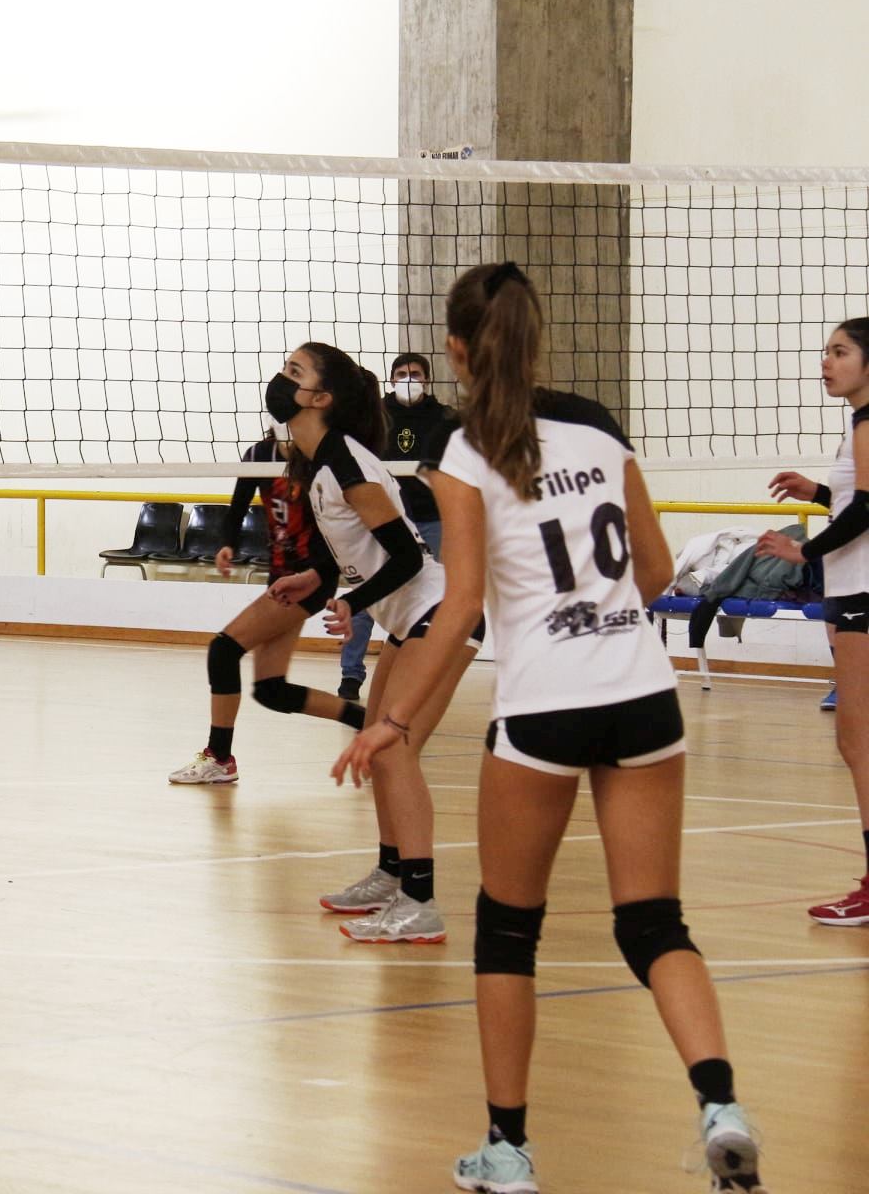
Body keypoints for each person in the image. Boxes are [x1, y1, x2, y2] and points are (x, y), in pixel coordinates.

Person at [340, 263, 766, 1193]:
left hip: (544, 705)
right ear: (539, 340)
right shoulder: (602, 431)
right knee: (655, 923)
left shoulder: (460, 453)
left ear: (455, 349)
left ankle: (508, 1150)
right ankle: (720, 1105)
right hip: (643, 694)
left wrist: (394, 721)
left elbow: (456, 613)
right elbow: (656, 575)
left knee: (508, 930)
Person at [265, 342, 474, 943]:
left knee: (393, 749)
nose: (280, 380)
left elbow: (407, 555)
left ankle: (420, 900)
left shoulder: (344, 463)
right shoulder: (318, 462)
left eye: (293, 373)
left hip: (437, 611)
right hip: (408, 617)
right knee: (376, 738)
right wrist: (321, 579)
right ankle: (391, 873)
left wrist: (353, 604)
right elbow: (361, 550)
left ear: (320, 399)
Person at [168, 423, 367, 787]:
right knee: (272, 690)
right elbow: (238, 507)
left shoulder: (321, 459)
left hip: (310, 578)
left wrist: (319, 574)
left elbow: (337, 528)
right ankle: (364, 722)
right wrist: (227, 544)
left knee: (223, 650)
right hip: (279, 576)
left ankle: (220, 757)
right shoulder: (260, 456)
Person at [757, 315, 869, 925]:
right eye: (826, 351)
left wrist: (805, 550)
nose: (826, 361)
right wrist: (819, 494)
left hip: (863, 595)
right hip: (857, 590)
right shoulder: (858, 427)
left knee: (858, 740)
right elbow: (855, 502)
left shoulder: (868, 424)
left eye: (840, 352)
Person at [339, 352, 455, 701]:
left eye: (416, 374)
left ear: (427, 380)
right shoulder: (376, 414)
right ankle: (351, 674)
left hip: (430, 518)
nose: (409, 379)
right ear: (391, 379)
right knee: (368, 597)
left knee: (429, 600)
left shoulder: (444, 418)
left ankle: (420, 676)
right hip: (384, 518)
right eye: (402, 373)